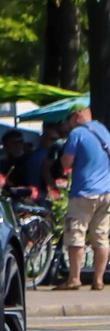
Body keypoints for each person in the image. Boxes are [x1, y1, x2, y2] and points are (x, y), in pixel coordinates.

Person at [58, 104, 110, 290]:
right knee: (101, 237)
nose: (70, 124)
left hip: (84, 193)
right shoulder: (103, 130)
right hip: (106, 192)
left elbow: (66, 163)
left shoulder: (77, 133)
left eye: (70, 118)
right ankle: (98, 280)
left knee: (76, 235)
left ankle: (74, 279)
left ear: (78, 114)